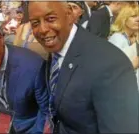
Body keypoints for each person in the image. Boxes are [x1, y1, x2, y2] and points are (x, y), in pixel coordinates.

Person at [28, 2, 139, 133]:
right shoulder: (56, 49)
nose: (42, 29)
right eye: (35, 23)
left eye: (50, 19)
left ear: (69, 14)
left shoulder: (109, 63)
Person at [109, 3, 139, 90]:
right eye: (133, 16)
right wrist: (133, 65)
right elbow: (113, 71)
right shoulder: (117, 39)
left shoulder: (133, 38)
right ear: (124, 19)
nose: (138, 19)